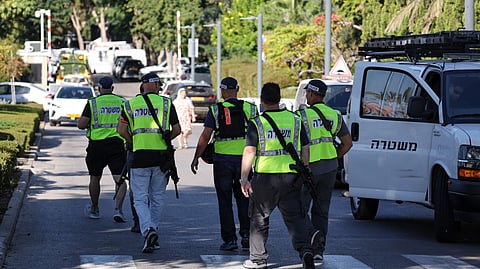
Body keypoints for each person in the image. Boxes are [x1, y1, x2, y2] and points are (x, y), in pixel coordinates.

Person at [239, 82, 318, 269]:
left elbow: (250, 151)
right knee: (296, 217)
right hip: (291, 177)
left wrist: (244, 177)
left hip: (265, 178)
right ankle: (306, 250)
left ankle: (258, 260)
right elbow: (305, 148)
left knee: (259, 218)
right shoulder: (295, 120)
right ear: (280, 99)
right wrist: (305, 170)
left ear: (261, 100)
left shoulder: (257, 122)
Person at [190, 77, 258, 251]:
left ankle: (229, 240)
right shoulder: (250, 108)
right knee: (244, 199)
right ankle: (246, 235)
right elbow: (260, 133)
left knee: (224, 201)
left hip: (222, 162)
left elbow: (206, 136)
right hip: (245, 162)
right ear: (238, 89)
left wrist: (197, 156)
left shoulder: (215, 110)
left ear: (222, 91)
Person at [117, 72, 181, 253]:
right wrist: (165, 140)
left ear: (143, 85)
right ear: (158, 86)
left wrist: (133, 142)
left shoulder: (130, 104)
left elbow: (121, 130)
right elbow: (177, 130)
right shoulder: (167, 104)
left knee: (140, 199)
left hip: (139, 157)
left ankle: (148, 231)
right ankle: (153, 231)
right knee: (157, 197)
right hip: (161, 158)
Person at [297, 79, 352, 261]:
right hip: (329, 168)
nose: (306, 96)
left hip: (308, 168)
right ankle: (319, 249)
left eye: (307, 93)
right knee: (321, 210)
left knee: (301, 209)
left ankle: (306, 245)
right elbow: (347, 143)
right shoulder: (335, 115)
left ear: (312, 94)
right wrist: (334, 157)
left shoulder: (302, 116)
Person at [77, 76, 127, 222]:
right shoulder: (122, 102)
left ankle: (95, 208)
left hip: (96, 146)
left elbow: (81, 124)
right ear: (112, 88)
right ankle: (118, 209)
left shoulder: (92, 103)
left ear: (99, 89)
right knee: (120, 179)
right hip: (117, 145)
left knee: (94, 178)